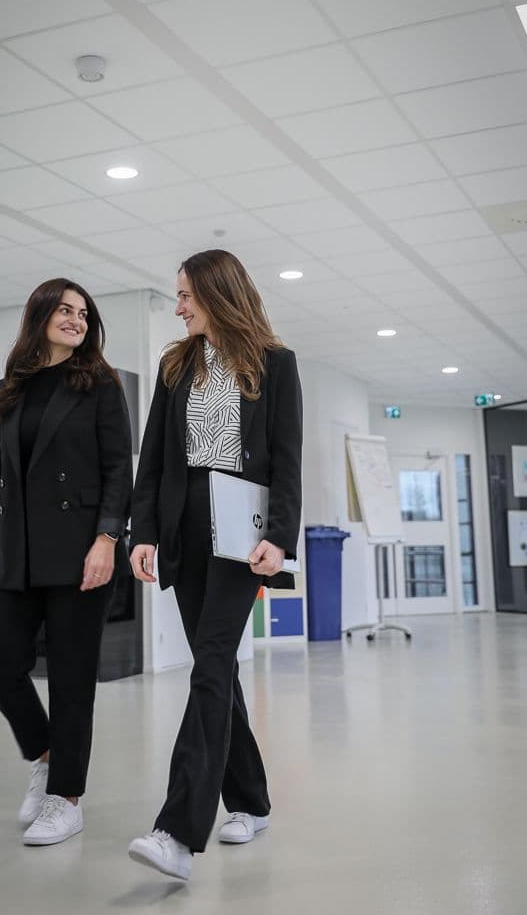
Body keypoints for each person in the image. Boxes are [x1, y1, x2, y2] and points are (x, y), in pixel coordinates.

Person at [127, 249, 303, 880]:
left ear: (217, 293)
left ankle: (177, 830)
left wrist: (280, 537)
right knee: (217, 670)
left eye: (185, 297)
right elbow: (152, 460)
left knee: (207, 666)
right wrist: (141, 532)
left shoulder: (275, 364)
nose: (178, 308)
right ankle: (251, 804)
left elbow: (286, 457)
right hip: (184, 532)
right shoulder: (176, 365)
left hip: (241, 536)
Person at [0, 278, 132, 847]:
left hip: (78, 550)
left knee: (71, 682)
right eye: (65, 310)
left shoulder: (99, 385)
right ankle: (45, 755)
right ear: (39, 314)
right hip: (17, 550)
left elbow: (119, 468)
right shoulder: (12, 388)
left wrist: (107, 539)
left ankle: (66, 800)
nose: (76, 320)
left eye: (84, 313)